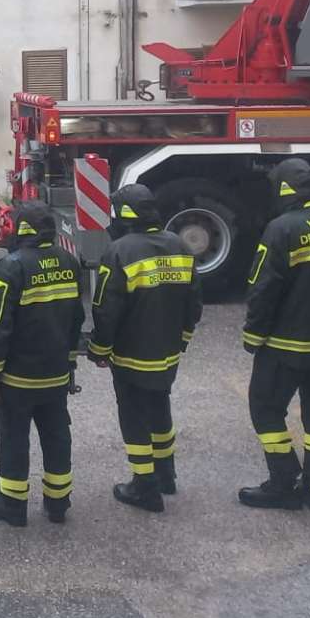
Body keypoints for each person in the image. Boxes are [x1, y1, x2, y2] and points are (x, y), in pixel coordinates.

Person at [238, 159, 310, 513]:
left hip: (285, 346)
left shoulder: (281, 229)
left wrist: (253, 335)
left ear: (283, 188)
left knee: (266, 409)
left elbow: (263, 289)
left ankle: (283, 481)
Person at [87, 183, 201, 514]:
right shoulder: (179, 245)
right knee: (160, 408)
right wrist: (183, 339)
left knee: (134, 417)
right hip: (167, 354)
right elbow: (194, 301)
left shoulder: (120, 251)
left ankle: (144, 486)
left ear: (124, 216)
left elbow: (106, 308)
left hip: (131, 355)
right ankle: (166, 476)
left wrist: (99, 348)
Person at [0, 201, 83, 527]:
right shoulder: (69, 261)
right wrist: (69, 366)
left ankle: (12, 504)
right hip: (55, 375)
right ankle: (58, 503)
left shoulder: (11, 267)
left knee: (13, 438)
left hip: (17, 379)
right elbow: (76, 320)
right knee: (56, 436)